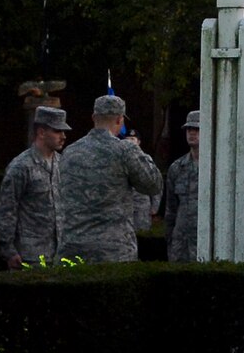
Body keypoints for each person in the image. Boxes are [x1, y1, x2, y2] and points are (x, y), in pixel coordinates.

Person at [59, 94, 164, 264]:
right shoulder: (125, 150)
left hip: (72, 248)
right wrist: (139, 152)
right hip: (114, 252)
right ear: (120, 120)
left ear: (93, 118)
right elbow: (154, 185)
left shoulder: (70, 152)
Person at [0, 105, 66, 269]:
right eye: (57, 131)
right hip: (30, 256)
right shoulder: (21, 167)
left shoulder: (63, 163)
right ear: (41, 132)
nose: (63, 136)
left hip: (60, 256)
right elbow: (6, 210)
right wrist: (8, 251)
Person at [162, 110, 201, 262]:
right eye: (189, 130)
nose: (192, 133)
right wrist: (170, 239)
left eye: (197, 129)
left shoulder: (216, 168)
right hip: (181, 244)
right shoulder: (177, 168)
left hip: (205, 241)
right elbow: (171, 209)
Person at [124, 127, 162, 236]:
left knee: (142, 236)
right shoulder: (119, 159)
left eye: (132, 139)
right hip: (126, 208)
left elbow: (156, 183)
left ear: (138, 142)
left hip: (142, 208)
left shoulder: (145, 159)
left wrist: (155, 207)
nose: (129, 142)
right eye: (127, 140)